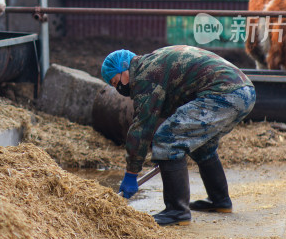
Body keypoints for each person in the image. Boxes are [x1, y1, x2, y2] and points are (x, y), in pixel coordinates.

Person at [101, 46, 256, 226]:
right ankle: (219, 200)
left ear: (125, 68)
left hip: (224, 93)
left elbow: (142, 127)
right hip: (243, 91)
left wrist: (131, 174)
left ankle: (177, 211)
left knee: (168, 139)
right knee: (202, 145)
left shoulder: (145, 76)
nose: (118, 88)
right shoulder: (153, 64)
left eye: (115, 81)